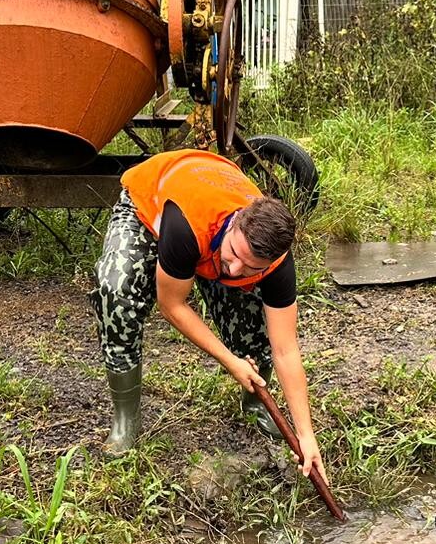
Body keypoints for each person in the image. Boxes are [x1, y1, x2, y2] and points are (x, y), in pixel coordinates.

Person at [92, 149, 327, 483]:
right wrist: (230, 361)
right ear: (235, 224)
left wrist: (306, 434)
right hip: (151, 202)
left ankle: (256, 400)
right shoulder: (184, 226)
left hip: (212, 212)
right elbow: (172, 305)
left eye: (252, 267)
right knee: (117, 290)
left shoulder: (277, 265)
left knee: (253, 317)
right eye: (234, 254)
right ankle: (125, 419)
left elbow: (286, 349)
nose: (236, 269)